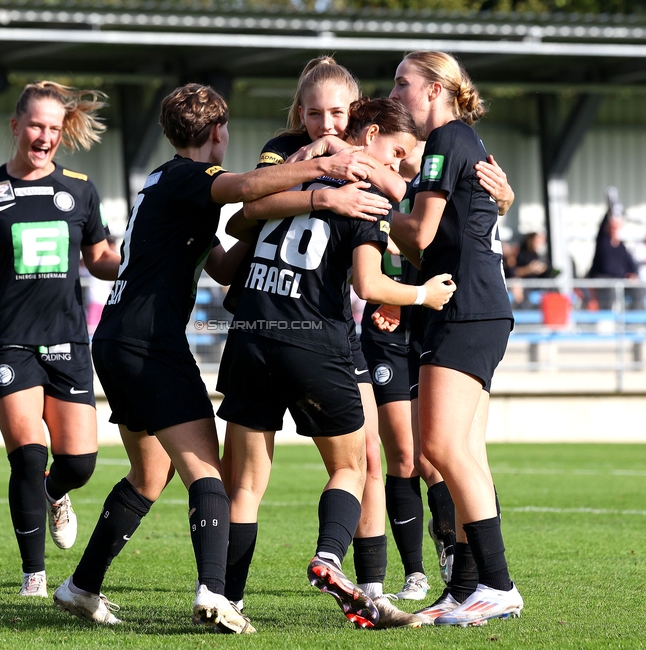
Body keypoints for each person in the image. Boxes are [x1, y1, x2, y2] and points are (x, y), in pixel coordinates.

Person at [53, 83, 376, 634]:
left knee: (148, 474)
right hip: (150, 343)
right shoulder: (190, 177)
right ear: (217, 132)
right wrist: (324, 181)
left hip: (115, 338)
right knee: (209, 472)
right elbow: (248, 186)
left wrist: (263, 225)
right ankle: (214, 593)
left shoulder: (160, 180)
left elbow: (224, 268)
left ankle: (80, 587)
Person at [219, 97, 456, 630]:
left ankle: (225, 598)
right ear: (369, 135)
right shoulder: (364, 192)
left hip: (251, 331)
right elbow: (369, 284)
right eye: (395, 153)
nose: (396, 166)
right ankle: (330, 558)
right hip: (314, 338)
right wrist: (423, 296)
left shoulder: (283, 170)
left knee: (247, 485)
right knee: (355, 465)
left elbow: (244, 216)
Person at [0, 80, 121, 598]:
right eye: (36, 125)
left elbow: (100, 259)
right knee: (29, 453)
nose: (45, 137)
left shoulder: (80, 188)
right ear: (16, 126)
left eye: (54, 128)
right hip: (6, 340)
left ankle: (56, 495)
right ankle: (33, 578)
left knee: (78, 463)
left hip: (67, 339)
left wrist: (139, 257)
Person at [386, 50, 523, 627]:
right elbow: (459, 226)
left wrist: (371, 201)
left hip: (467, 310)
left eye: (403, 84)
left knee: (437, 451)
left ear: (437, 89)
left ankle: (498, 584)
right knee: (465, 452)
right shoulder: (460, 143)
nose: (394, 95)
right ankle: (467, 587)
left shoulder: (447, 139)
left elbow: (418, 234)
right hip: (473, 310)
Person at [587, 201, 637, 310]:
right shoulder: (603, 242)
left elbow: (630, 264)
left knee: (638, 289)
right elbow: (601, 229)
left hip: (619, 280)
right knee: (611, 289)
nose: (614, 229)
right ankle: (607, 317)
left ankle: (636, 319)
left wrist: (633, 274)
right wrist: (609, 210)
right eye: (612, 227)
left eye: (616, 227)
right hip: (603, 278)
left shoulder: (621, 246)